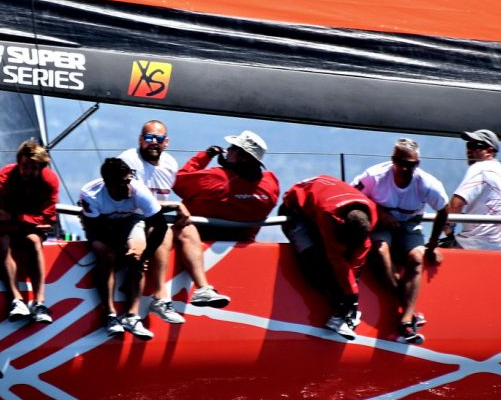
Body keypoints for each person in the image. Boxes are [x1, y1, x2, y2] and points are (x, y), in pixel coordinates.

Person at [119, 121, 230, 325]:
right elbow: (132, 200)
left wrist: (207, 157)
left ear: (166, 142)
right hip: (131, 219)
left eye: (159, 138)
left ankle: (203, 288)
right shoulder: (129, 160)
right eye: (149, 138)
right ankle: (161, 298)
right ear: (140, 140)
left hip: (155, 218)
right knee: (164, 230)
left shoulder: (169, 163)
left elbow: (187, 182)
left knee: (188, 228)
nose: (154, 142)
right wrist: (174, 205)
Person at [353, 138, 449, 345]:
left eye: (410, 164)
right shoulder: (374, 176)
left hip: (409, 224)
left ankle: (405, 319)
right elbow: (353, 195)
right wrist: (378, 211)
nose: (404, 168)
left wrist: (433, 245)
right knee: (379, 250)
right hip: (380, 222)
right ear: (393, 160)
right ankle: (408, 313)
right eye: (400, 162)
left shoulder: (427, 184)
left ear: (417, 164)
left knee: (416, 258)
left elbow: (443, 210)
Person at [78, 157, 169, 339]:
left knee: (137, 256)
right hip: (100, 225)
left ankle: (132, 316)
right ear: (109, 184)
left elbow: (161, 226)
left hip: (131, 220)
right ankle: (110, 315)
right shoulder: (90, 194)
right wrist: (119, 249)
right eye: (122, 184)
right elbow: (96, 228)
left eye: (129, 180)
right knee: (108, 256)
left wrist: (144, 256)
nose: (128, 187)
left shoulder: (138, 190)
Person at [281, 175, 377, 340]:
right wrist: (350, 295)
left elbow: (357, 259)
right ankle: (339, 311)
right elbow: (336, 258)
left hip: (324, 205)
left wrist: (353, 296)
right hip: (295, 211)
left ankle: (343, 313)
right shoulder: (329, 215)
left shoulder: (371, 216)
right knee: (313, 260)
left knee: (346, 269)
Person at [0, 140, 59, 323]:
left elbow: (48, 220)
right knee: (3, 239)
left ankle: (39, 303)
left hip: (20, 226)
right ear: (18, 163)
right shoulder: (1, 181)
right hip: (3, 229)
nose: (27, 172)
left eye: (33, 168)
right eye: (24, 166)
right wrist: (29, 223)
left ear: (41, 168)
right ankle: (16, 300)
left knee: (34, 241)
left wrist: (14, 217)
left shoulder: (50, 182)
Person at [173, 130, 281, 242]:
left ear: (243, 157)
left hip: (200, 240)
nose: (228, 150)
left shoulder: (217, 178)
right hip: (244, 242)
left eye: (233, 147)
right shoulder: (271, 183)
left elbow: (177, 182)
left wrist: (205, 156)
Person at [445, 129, 501, 251]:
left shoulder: (480, 167)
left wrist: (448, 229)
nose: (469, 150)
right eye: (468, 145)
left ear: (489, 151)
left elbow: (455, 205)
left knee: (426, 253)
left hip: (479, 244)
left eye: (476, 146)